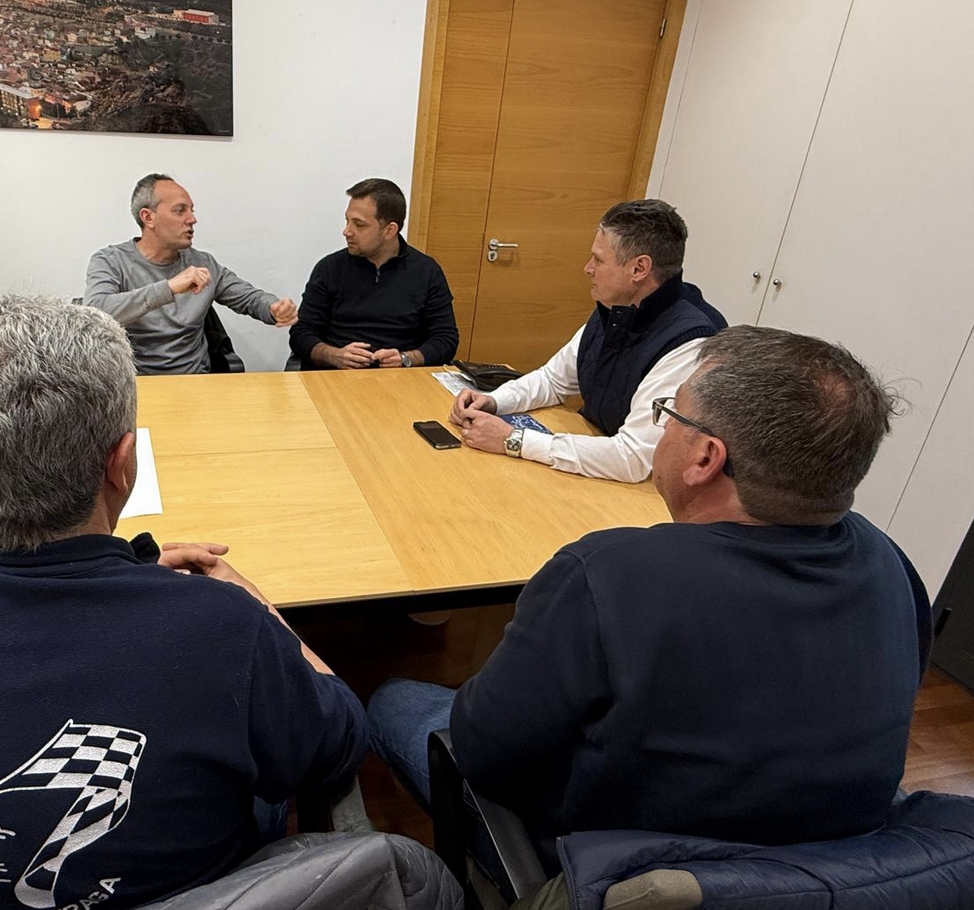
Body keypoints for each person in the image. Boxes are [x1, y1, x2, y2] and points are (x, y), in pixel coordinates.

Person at [0, 295, 367, 909]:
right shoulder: (223, 628)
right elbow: (338, 745)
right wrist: (254, 608)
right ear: (122, 464)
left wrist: (136, 581)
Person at [369, 326, 932, 867]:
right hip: (826, 868)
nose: (659, 432)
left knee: (393, 699)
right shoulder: (893, 565)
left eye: (668, 416)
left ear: (705, 458)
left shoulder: (607, 575)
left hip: (613, 867)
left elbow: (483, 752)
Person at [450, 199, 724, 482]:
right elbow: (554, 380)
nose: (587, 268)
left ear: (639, 269)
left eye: (599, 259)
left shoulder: (689, 341)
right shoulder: (616, 308)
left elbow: (632, 459)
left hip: (647, 492)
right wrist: (494, 401)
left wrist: (513, 440)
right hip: (597, 464)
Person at [86, 174, 298, 375]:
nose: (192, 219)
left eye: (192, 210)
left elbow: (249, 298)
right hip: (135, 386)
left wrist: (273, 308)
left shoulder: (202, 263)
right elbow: (95, 312)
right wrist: (169, 288)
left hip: (195, 382)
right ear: (148, 217)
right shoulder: (110, 260)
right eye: (180, 211)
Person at [289, 178, 458, 370]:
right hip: (336, 375)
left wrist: (406, 358)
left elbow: (446, 339)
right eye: (347, 221)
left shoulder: (427, 271)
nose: (347, 231)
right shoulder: (329, 268)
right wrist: (333, 355)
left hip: (399, 378)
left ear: (389, 230)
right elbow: (301, 334)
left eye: (359, 225)